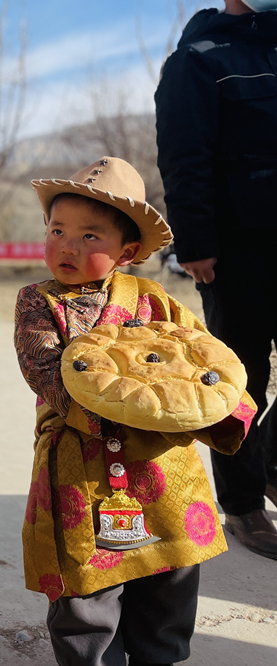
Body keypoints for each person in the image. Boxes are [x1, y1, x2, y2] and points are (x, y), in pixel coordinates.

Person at [14, 157, 256, 666]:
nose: (67, 246)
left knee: (168, 583)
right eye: (57, 230)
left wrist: (227, 409)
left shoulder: (155, 301)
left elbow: (202, 360)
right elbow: (46, 371)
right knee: (86, 594)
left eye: (89, 236)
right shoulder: (37, 303)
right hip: (78, 467)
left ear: (126, 252)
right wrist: (121, 411)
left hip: (163, 467)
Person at [155, 0, 277, 560]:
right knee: (241, 378)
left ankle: (269, 462)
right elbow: (185, 155)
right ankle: (244, 502)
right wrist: (196, 243)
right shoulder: (198, 59)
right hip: (239, 249)